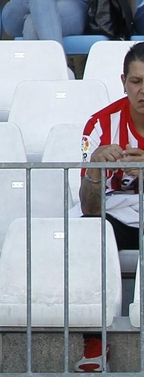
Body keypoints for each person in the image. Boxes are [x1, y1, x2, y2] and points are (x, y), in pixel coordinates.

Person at [77, 41, 144, 371]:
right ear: (123, 82)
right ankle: (94, 343)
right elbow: (89, 207)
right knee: (90, 235)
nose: (143, 91)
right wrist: (94, 170)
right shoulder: (100, 125)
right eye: (136, 82)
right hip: (116, 217)